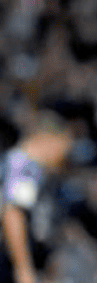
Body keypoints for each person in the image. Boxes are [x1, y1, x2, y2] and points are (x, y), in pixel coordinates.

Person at [1, 111, 75, 283]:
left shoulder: (32, 168)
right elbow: (13, 213)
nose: (63, 156)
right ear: (49, 139)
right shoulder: (23, 165)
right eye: (63, 146)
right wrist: (23, 269)